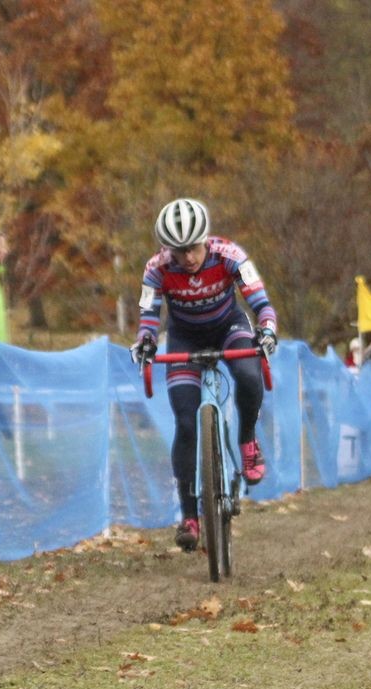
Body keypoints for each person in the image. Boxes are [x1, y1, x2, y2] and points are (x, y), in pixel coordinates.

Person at [129, 198, 278, 553]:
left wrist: (268, 328)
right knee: (185, 421)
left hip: (229, 326)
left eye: (194, 248)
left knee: (247, 372)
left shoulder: (229, 255)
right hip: (184, 337)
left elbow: (258, 300)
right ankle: (190, 516)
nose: (189, 258)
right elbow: (148, 315)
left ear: (205, 240)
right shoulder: (157, 268)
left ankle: (247, 443)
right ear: (168, 249)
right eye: (179, 251)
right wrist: (146, 342)